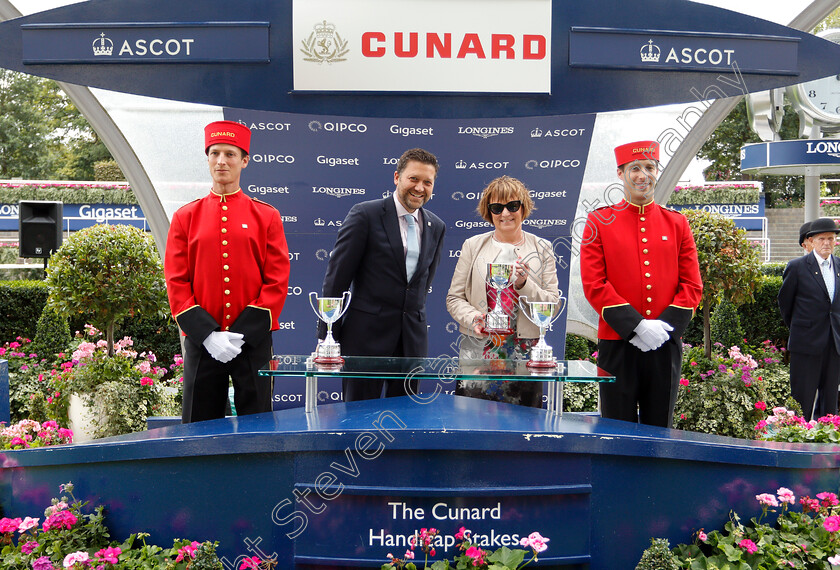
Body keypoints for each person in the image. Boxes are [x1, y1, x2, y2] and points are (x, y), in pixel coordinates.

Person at [164, 120, 290, 423]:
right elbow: (177, 280)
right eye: (215, 153)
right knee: (198, 427)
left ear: (244, 161)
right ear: (207, 159)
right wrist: (208, 335)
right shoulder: (185, 216)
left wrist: (242, 334)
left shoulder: (266, 215)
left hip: (253, 341)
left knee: (258, 424)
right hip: (202, 341)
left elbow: (277, 278)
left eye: (230, 154)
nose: (222, 161)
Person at [580, 140, 702, 427]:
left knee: (659, 426)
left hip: (664, 341)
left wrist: (664, 328)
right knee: (616, 427)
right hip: (617, 342)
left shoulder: (677, 223)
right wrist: (636, 326)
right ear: (621, 174)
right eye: (635, 168)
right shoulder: (599, 221)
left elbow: (692, 285)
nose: (642, 175)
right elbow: (594, 283)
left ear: (657, 172)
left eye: (649, 167)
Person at [320, 148, 446, 401]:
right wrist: (327, 335)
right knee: (357, 418)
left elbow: (423, 284)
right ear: (397, 177)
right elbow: (337, 279)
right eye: (414, 179)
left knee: (404, 420)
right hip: (365, 339)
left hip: (412, 342)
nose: (420, 188)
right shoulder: (365, 214)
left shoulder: (437, 225)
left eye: (427, 182)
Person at [446, 176, 559, 407]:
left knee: (524, 428)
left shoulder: (542, 248)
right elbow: (454, 298)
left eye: (512, 206)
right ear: (489, 212)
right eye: (497, 207)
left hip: (524, 353)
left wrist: (523, 284)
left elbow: (553, 304)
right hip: (479, 349)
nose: (505, 213)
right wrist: (476, 318)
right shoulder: (472, 245)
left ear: (523, 207)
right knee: (472, 423)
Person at [778, 217, 840, 421]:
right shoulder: (797, 267)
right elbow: (785, 303)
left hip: (834, 343)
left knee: (830, 400)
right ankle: (799, 441)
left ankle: (826, 443)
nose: (827, 243)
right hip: (805, 343)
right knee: (802, 398)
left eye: (831, 238)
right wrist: (800, 328)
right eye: (822, 238)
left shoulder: (839, 265)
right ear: (811, 241)